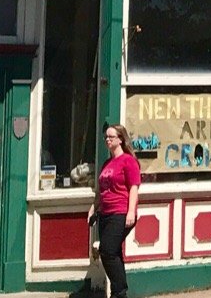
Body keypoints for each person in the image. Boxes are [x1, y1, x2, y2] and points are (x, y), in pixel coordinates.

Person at [94, 125, 142, 298]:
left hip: (120, 212)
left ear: (120, 139)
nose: (107, 140)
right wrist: (94, 208)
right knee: (113, 253)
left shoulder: (128, 161)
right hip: (105, 213)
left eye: (111, 137)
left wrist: (131, 212)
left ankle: (120, 291)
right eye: (106, 137)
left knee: (107, 250)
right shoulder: (107, 163)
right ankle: (118, 293)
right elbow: (101, 190)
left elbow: (134, 188)